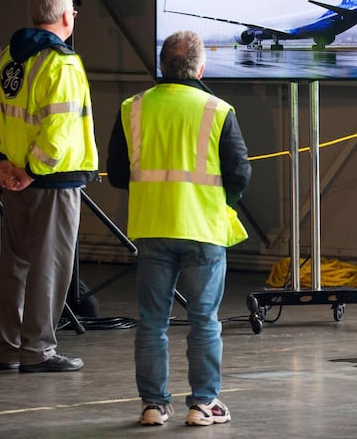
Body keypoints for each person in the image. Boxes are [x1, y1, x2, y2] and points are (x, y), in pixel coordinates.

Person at [106, 30, 251, 427]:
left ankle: (154, 405)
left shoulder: (131, 108)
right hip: (203, 227)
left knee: (152, 320)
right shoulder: (218, 110)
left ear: (162, 66)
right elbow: (240, 173)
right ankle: (203, 404)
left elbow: (118, 173)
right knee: (204, 318)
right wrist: (222, 199)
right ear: (200, 67)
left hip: (151, 226)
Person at [0, 0, 98, 373]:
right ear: (63, 16)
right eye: (73, 12)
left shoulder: (8, 58)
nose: (74, 16)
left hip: (13, 182)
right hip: (50, 182)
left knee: (16, 266)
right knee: (50, 266)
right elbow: (58, 132)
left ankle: (9, 348)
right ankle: (39, 350)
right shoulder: (62, 64)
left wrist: (1, 163)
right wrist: (31, 171)